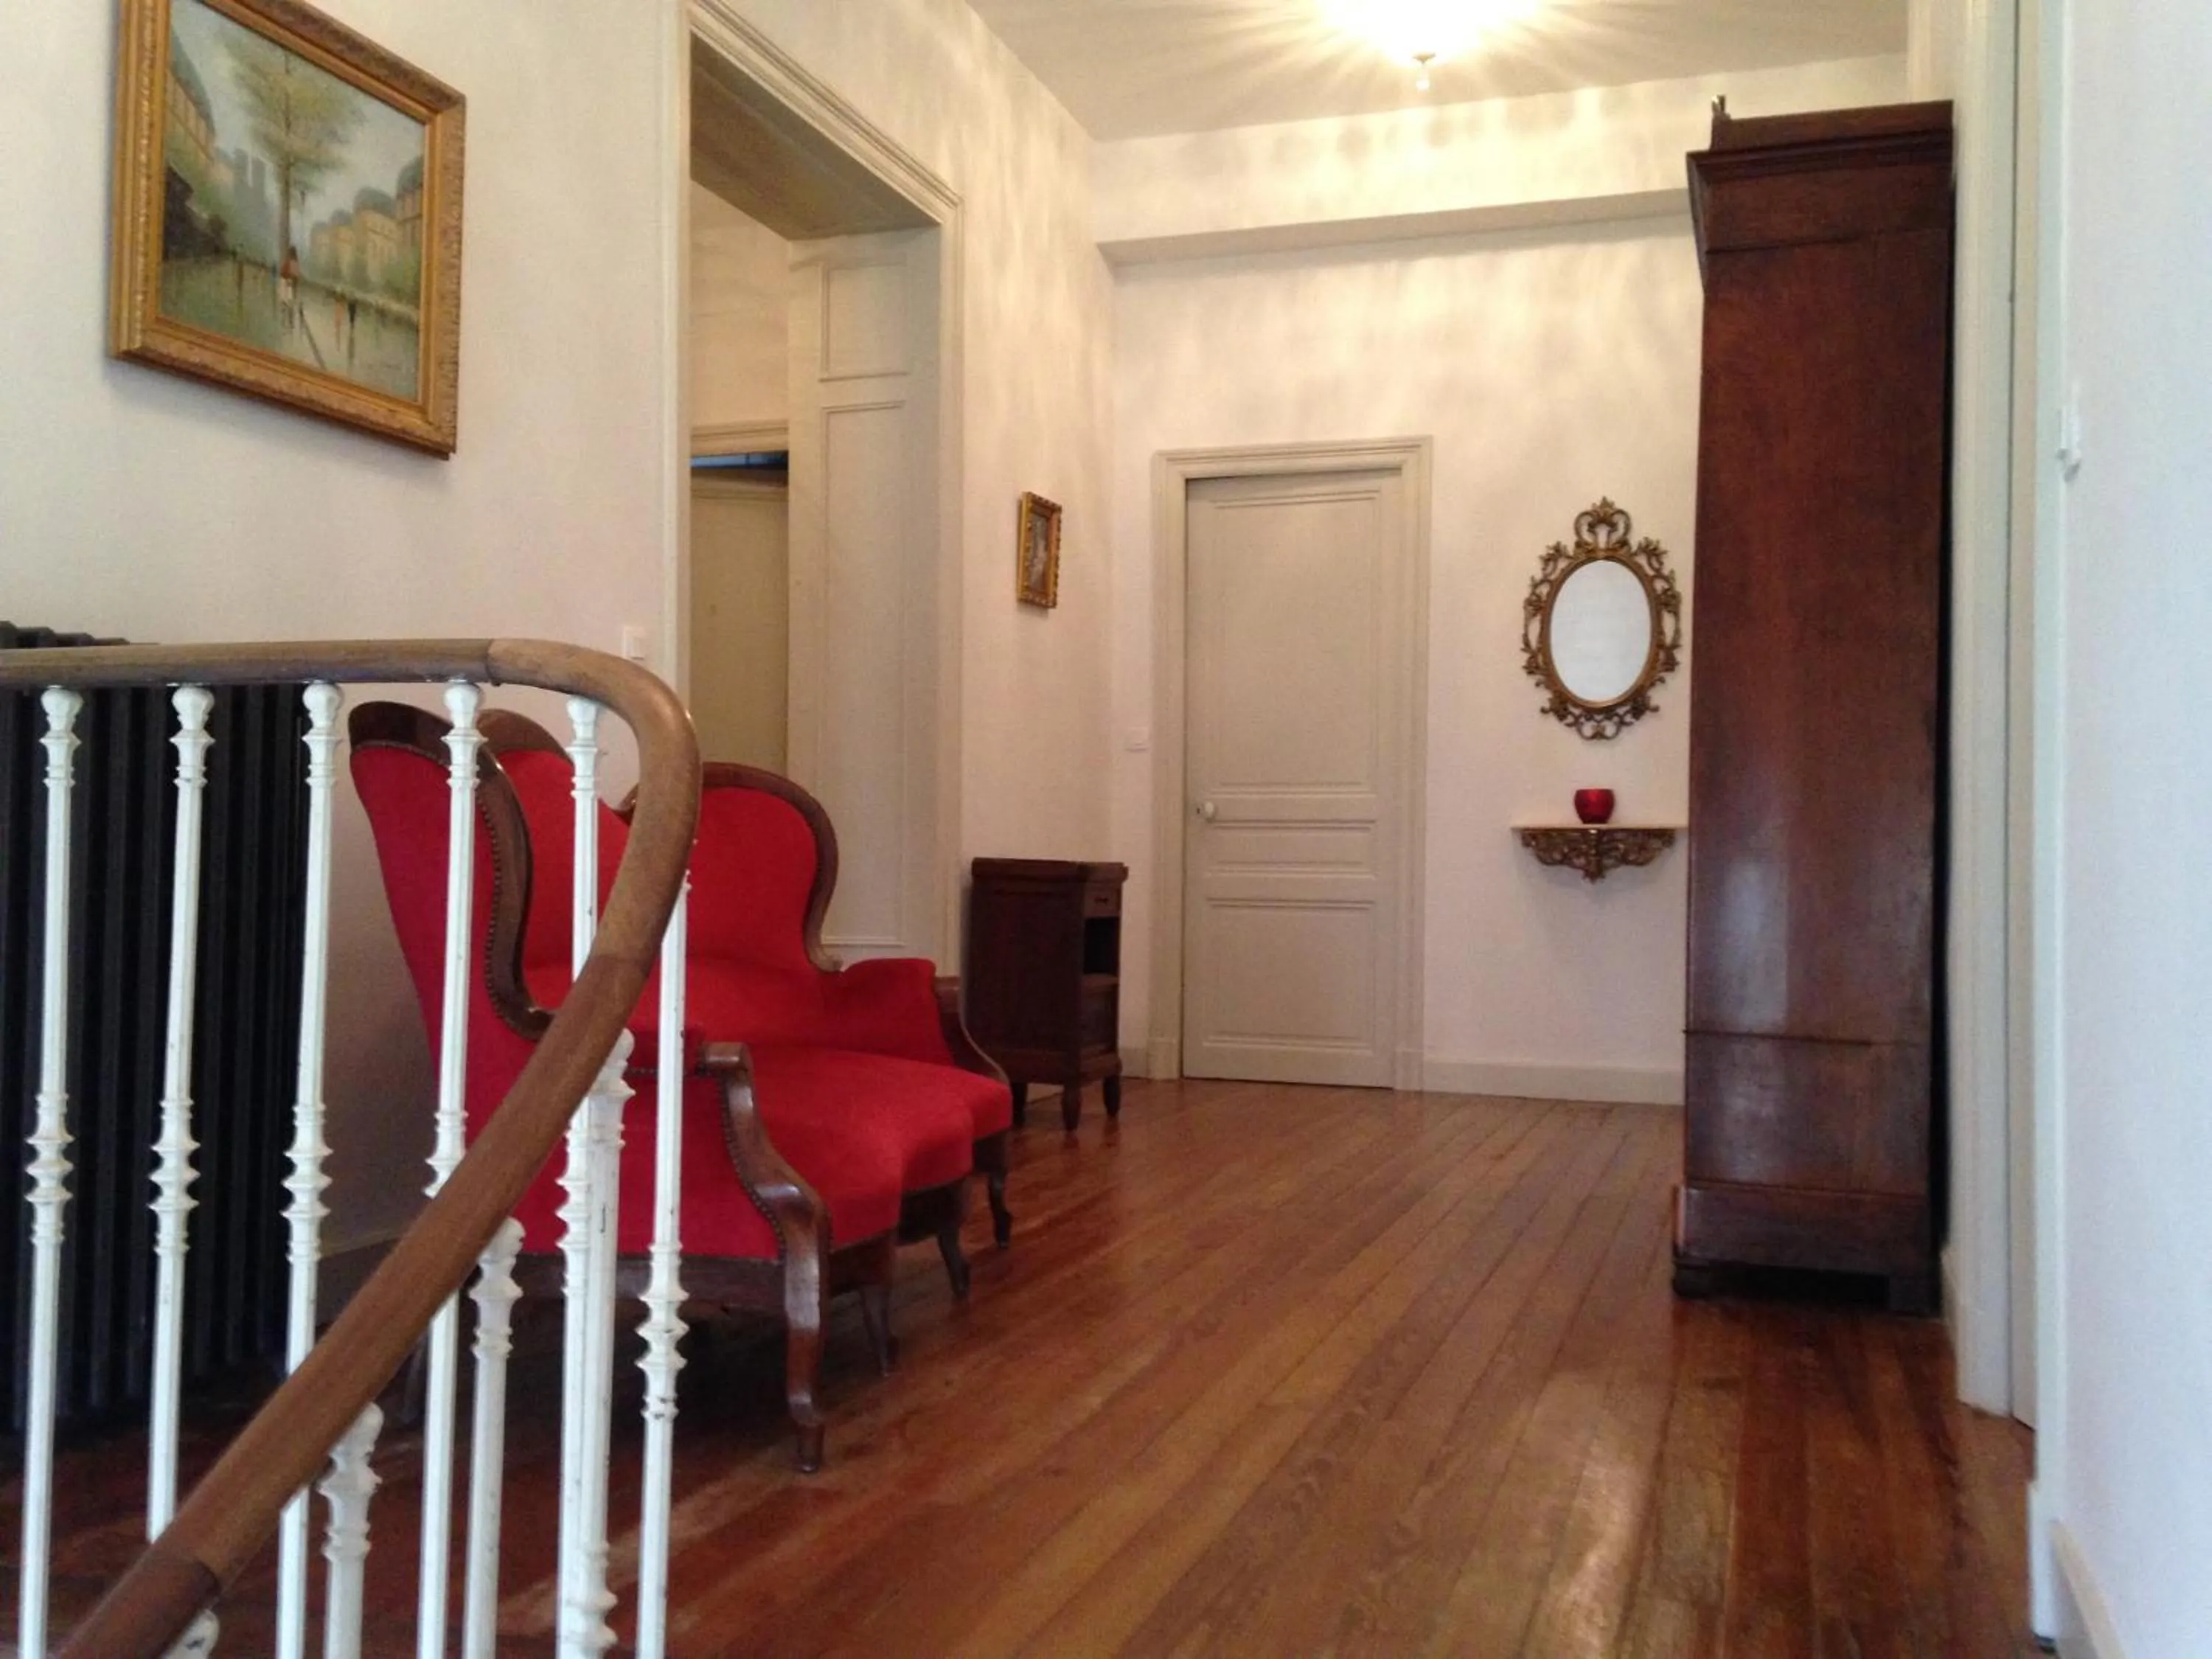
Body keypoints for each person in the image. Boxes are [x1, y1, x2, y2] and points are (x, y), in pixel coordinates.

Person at [278, 245, 300, 330]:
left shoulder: (291, 262)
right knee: (287, 303)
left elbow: (294, 276)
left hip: (287, 283)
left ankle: (287, 321)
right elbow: (296, 277)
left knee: (286, 303)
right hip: (287, 283)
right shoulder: (293, 262)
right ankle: (288, 321)